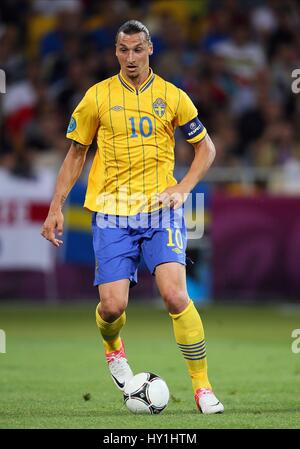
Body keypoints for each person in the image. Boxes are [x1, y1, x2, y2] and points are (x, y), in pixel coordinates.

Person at [41, 20, 224, 414]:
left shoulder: (173, 97)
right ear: (115, 52)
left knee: (176, 295)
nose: (130, 58)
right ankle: (114, 351)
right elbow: (76, 155)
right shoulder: (97, 97)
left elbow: (205, 149)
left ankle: (202, 387)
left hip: (161, 209)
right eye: (123, 50)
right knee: (112, 308)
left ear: (150, 49)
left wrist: (183, 188)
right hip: (111, 213)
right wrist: (56, 206)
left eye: (137, 49)